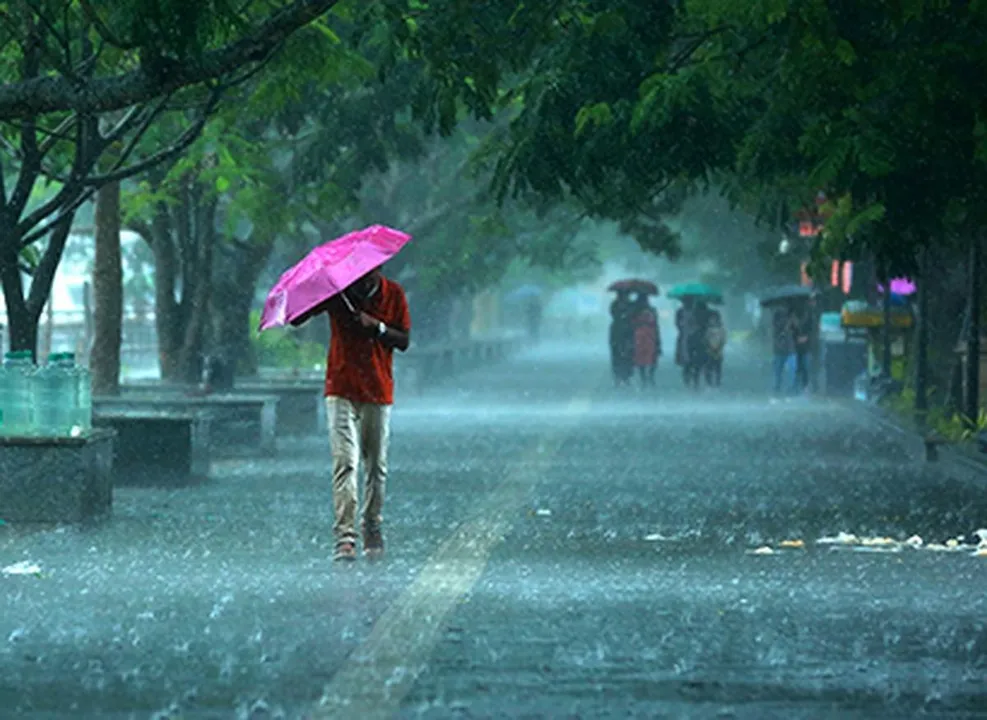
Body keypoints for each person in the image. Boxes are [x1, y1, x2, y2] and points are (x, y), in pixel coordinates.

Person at [291, 265, 411, 562]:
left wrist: (377, 327)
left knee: (376, 465)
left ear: (379, 269)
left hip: (378, 389)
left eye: (369, 273)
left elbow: (404, 341)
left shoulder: (394, 294)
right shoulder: (338, 293)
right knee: (345, 462)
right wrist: (312, 292)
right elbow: (297, 318)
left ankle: (372, 524)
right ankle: (345, 536)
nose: (363, 278)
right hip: (341, 387)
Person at [631, 293, 661, 386]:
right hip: (648, 335)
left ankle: (645, 376)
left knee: (643, 357)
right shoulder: (649, 310)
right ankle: (648, 376)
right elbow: (656, 324)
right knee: (649, 356)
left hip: (642, 336)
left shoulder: (636, 312)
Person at [609, 291, 635, 386]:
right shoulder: (615, 304)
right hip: (618, 331)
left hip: (627, 331)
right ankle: (618, 376)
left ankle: (625, 376)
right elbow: (613, 314)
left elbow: (634, 314)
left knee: (628, 354)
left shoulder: (630, 304)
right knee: (617, 354)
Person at [771, 306, 796, 395]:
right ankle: (778, 390)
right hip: (781, 350)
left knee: (789, 371)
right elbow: (779, 331)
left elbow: (797, 328)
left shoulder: (792, 318)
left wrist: (792, 321)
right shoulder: (778, 319)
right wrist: (788, 322)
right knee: (779, 372)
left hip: (789, 349)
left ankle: (787, 390)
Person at [705, 310, 726, 387]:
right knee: (709, 367)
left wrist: (718, 349)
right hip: (709, 351)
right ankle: (709, 382)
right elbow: (706, 340)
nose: (713, 320)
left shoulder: (721, 329)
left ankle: (717, 382)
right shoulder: (708, 329)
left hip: (719, 352)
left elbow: (723, 340)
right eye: (711, 319)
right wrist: (709, 348)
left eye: (714, 318)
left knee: (718, 368)